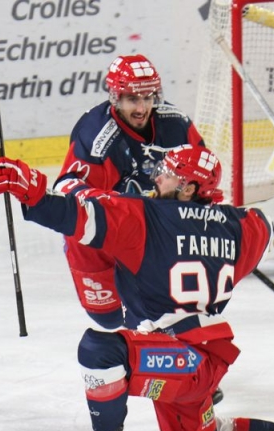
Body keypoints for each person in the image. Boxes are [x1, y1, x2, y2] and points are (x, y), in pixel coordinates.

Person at [0, 145, 274, 431]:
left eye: (168, 175)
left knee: (100, 350)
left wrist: (33, 194)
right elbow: (262, 224)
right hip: (201, 360)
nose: (157, 179)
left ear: (189, 187)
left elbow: (77, 216)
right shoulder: (244, 228)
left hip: (181, 356)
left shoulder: (144, 218)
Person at [57, 54, 206, 330]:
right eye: (132, 99)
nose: (142, 107)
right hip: (102, 236)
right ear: (116, 98)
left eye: (148, 98)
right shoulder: (97, 137)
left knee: (168, 314)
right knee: (109, 319)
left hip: (152, 233)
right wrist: (112, 205)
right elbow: (66, 189)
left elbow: (203, 175)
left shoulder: (175, 125)